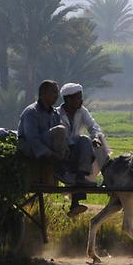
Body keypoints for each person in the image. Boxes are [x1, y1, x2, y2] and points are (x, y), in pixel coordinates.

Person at [57, 82, 107, 217]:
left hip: (80, 154)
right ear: (68, 100)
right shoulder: (57, 115)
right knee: (84, 140)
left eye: (81, 97)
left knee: (99, 141)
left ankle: (107, 175)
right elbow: (60, 139)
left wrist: (96, 137)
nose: (81, 100)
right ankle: (81, 178)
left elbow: (93, 126)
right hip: (63, 154)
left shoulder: (82, 111)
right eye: (78, 97)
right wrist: (78, 142)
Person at [17, 80, 67, 162]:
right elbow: (31, 138)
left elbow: (62, 138)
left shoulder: (55, 113)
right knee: (60, 130)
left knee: (82, 140)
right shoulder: (31, 112)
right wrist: (50, 154)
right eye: (54, 92)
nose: (56, 96)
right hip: (30, 147)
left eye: (57, 93)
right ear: (43, 94)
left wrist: (67, 149)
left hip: (48, 145)